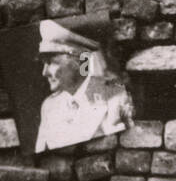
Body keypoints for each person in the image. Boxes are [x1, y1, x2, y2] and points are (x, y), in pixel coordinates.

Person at [35, 19, 132, 153]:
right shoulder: (50, 106)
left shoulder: (114, 95)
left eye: (52, 62)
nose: (44, 72)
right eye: (44, 63)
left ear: (82, 61)